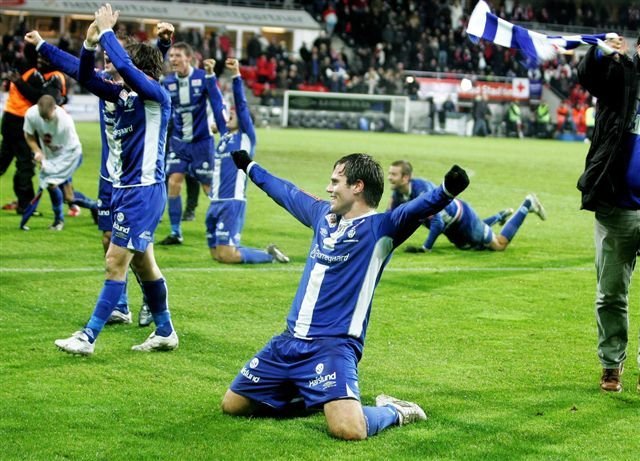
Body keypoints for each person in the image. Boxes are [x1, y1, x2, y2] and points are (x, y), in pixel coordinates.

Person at [220, 149, 470, 440]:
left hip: (333, 346)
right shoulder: (321, 216)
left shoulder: (381, 229)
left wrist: (448, 190)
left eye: (335, 182)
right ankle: (317, 396)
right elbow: (287, 192)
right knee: (233, 405)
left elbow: (416, 208)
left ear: (357, 186)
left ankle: (395, 410)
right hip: (288, 342)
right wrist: (251, 167)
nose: (328, 188)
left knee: (348, 430)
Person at [25, 23, 174, 326]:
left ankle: (130, 314)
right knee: (110, 240)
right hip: (111, 177)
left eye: (113, 55)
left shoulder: (136, 87)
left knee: (135, 250)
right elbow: (78, 69)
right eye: (105, 56)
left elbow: (146, 73)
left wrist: (161, 45)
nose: (108, 59)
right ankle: (124, 305)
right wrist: (44, 45)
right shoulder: (109, 86)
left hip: (139, 180)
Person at [55, 4, 178, 354]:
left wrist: (108, 31)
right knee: (144, 262)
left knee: (115, 261)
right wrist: (90, 44)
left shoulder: (155, 95)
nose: (116, 70)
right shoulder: (124, 95)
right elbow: (88, 77)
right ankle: (165, 329)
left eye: (127, 66)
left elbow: (125, 66)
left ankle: (88, 336)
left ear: (141, 71)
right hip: (124, 189)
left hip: (143, 190)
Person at [576, 34, 640, 393]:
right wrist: (600, 52)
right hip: (617, 205)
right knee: (611, 294)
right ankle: (611, 363)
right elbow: (589, 76)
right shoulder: (622, 77)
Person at [202, 57, 289, 264]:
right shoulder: (224, 136)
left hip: (232, 202)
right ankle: (264, 252)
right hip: (215, 201)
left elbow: (241, 104)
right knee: (217, 255)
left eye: (234, 114)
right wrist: (209, 74)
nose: (230, 113)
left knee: (227, 256)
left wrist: (236, 76)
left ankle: (269, 257)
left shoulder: (246, 137)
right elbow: (215, 103)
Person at [386, 160, 546, 252]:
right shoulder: (398, 195)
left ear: (405, 177)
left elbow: (438, 222)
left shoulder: (422, 191)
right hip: (453, 228)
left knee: (498, 245)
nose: (389, 178)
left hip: (464, 221)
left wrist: (425, 248)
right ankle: (499, 216)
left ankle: (527, 204)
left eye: (393, 174)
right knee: (471, 247)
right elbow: (391, 220)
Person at [159, 41, 219, 246]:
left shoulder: (202, 78)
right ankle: (176, 232)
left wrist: (217, 122)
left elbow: (218, 101)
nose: (173, 59)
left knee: (208, 187)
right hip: (179, 143)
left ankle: (221, 227)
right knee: (173, 182)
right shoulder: (167, 83)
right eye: (171, 56)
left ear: (189, 58)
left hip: (202, 142)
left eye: (177, 56)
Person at [0, 48, 67, 215]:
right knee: (25, 166)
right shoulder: (48, 76)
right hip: (21, 121)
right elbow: (43, 99)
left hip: (9, 118)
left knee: (4, 159)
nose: (40, 60)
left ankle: (24, 203)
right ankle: (25, 205)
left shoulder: (29, 72)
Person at [23, 95, 97, 231]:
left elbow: (69, 151)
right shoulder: (31, 114)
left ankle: (59, 221)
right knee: (68, 196)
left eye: (48, 118)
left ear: (55, 108)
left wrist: (49, 166)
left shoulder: (65, 122)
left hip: (70, 157)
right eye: (42, 117)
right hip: (52, 158)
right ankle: (95, 207)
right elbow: (29, 135)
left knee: (54, 186)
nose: (45, 120)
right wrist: (38, 151)